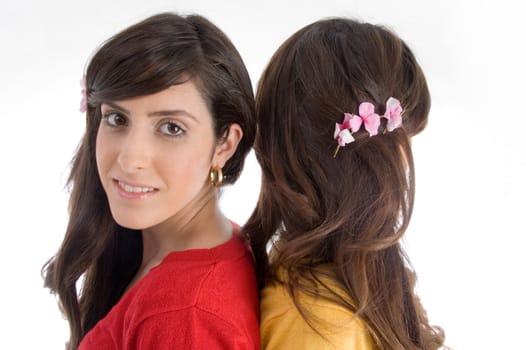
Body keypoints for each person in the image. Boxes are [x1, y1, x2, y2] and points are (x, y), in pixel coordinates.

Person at [42, 13, 259, 350]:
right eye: (117, 118)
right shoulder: (210, 247)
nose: (130, 158)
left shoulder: (184, 315)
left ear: (225, 145)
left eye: (171, 127)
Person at [243, 18, 445, 349]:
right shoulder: (319, 324)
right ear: (366, 160)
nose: (406, 165)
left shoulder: (350, 283)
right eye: (403, 143)